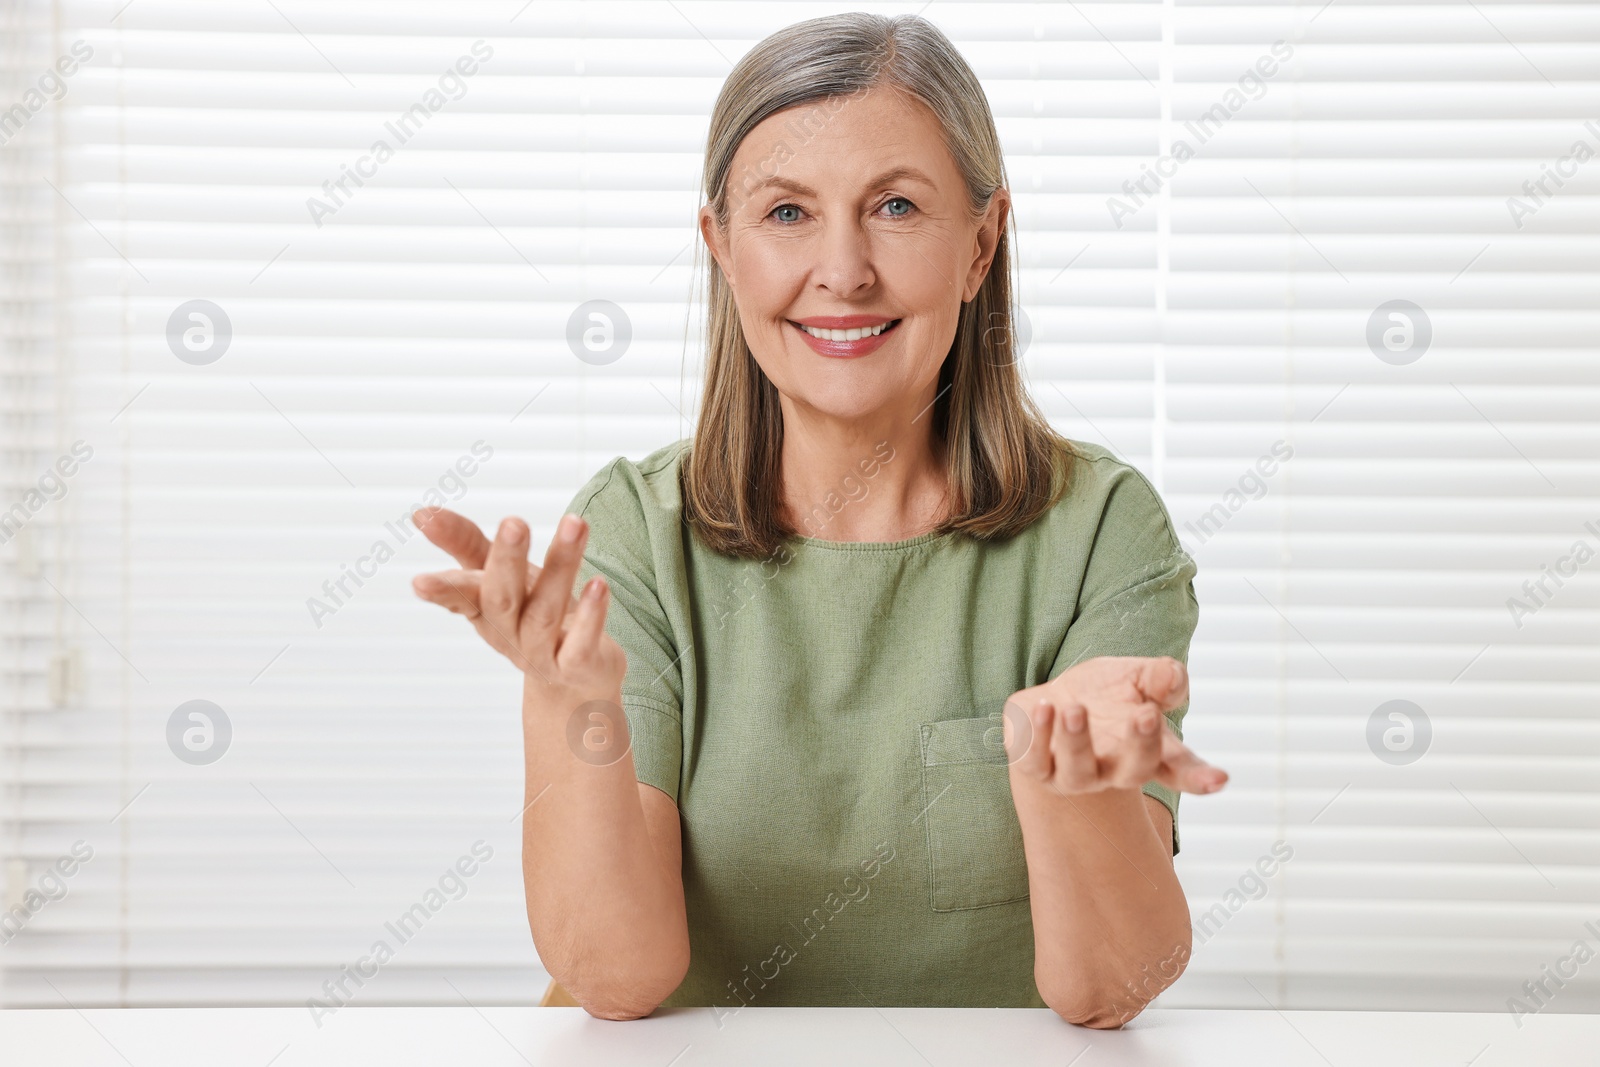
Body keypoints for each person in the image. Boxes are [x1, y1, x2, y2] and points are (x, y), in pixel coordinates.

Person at [411, 11, 1227, 1028]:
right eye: (787, 213)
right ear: (720, 246)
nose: (842, 270)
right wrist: (564, 697)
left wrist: (1071, 786)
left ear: (981, 244)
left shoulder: (1101, 530)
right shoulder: (632, 533)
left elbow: (1111, 986)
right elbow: (618, 978)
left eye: (893, 205)